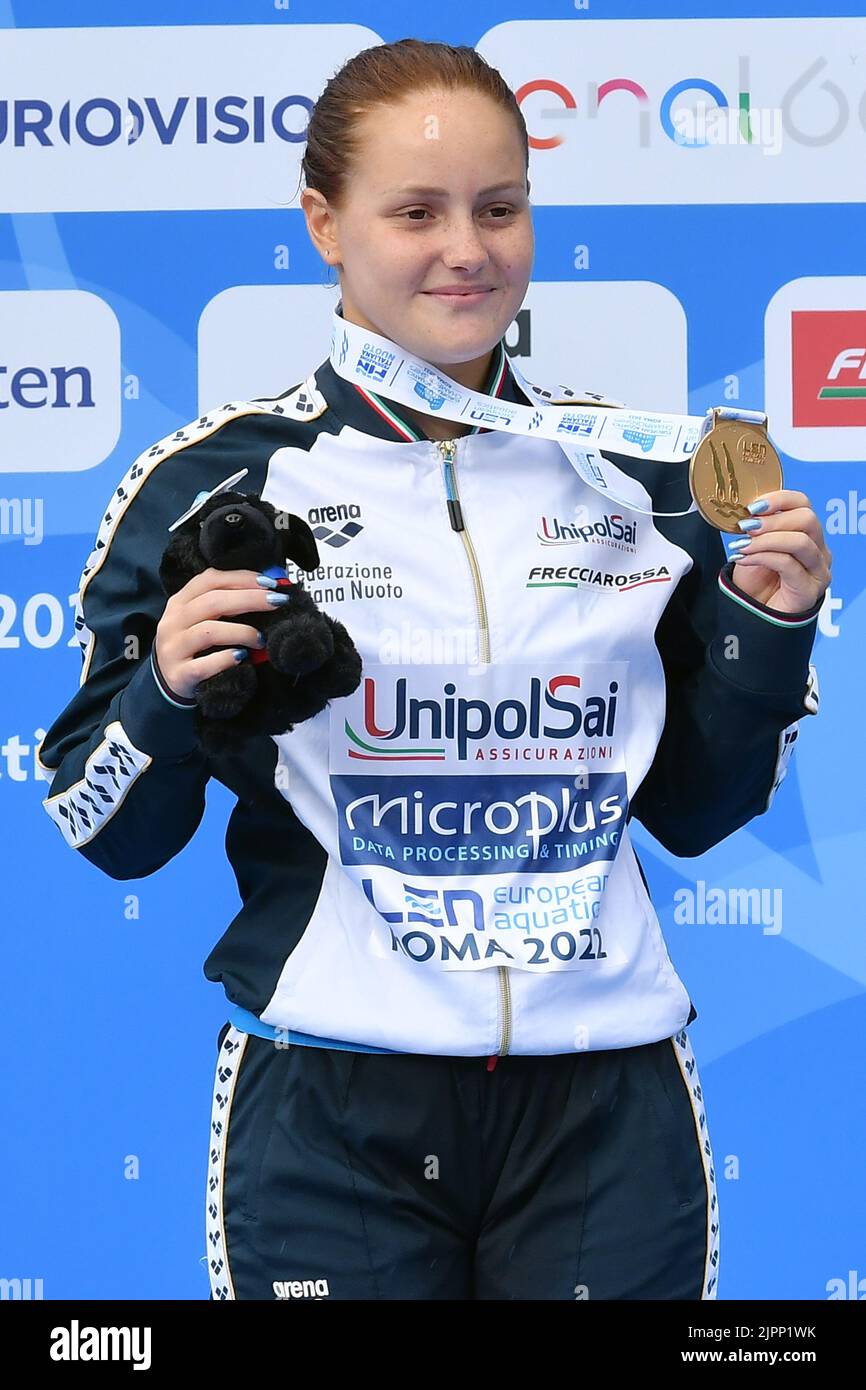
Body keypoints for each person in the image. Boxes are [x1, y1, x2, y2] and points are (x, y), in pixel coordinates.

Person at [38, 39, 830, 1302]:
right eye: (415, 211)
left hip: (604, 1106)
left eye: (498, 208)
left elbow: (692, 812)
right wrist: (164, 698)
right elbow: (101, 825)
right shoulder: (212, 485)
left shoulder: (643, 481)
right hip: (329, 1106)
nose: (466, 249)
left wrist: (761, 635)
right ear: (323, 224)